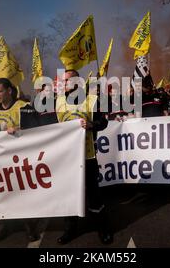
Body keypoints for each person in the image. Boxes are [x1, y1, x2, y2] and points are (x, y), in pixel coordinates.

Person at [55, 69, 113, 245]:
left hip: (87, 157)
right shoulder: (58, 102)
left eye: (67, 81)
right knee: (69, 195)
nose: (64, 84)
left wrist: (91, 124)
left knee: (94, 195)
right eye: (63, 81)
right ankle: (70, 230)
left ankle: (103, 229)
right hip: (67, 159)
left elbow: (103, 122)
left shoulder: (91, 100)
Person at [0, 78, 32, 243]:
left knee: (21, 191)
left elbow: (37, 129)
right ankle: (3, 224)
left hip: (19, 158)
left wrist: (21, 129)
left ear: (9, 91)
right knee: (1, 192)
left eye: (0, 91)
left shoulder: (23, 107)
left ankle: (28, 224)